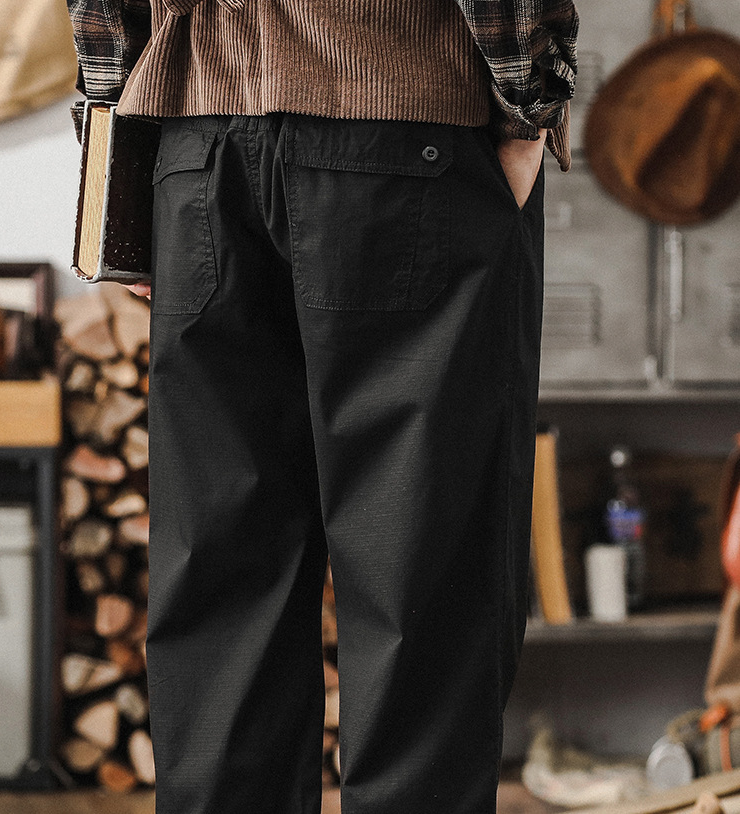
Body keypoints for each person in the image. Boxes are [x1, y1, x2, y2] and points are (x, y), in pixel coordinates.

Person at [65, 2, 578, 812]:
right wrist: (529, 109)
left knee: (221, 571)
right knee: (424, 568)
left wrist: (119, 152)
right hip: (404, 124)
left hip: (198, 149)